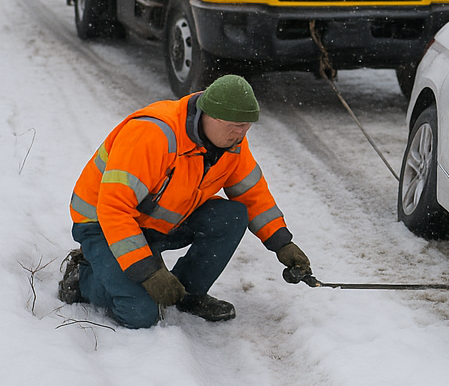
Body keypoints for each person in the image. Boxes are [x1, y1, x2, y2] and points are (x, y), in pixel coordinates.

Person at [58, 75, 311, 327]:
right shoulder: (152, 135)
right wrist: (148, 272)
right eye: (235, 125)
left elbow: (253, 195)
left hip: (157, 223)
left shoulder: (231, 144)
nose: (242, 133)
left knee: (231, 215)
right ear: (210, 115)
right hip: (102, 225)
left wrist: (282, 244)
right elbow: (114, 209)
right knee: (139, 313)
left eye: (247, 125)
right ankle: (84, 277)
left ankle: (187, 293)